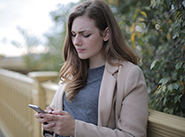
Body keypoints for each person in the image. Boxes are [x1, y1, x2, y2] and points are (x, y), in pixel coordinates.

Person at [35, 0, 148, 137]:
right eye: (73, 34)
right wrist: (51, 120)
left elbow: (133, 135)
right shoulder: (72, 71)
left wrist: (75, 129)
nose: (76, 42)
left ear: (106, 34)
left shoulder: (129, 75)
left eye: (85, 34)